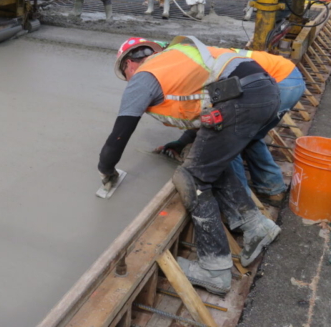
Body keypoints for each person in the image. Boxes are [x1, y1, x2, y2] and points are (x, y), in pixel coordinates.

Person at [98, 35, 281, 295]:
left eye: (125, 74)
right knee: (209, 162)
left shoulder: (144, 76)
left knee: (190, 178)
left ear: (129, 64)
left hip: (240, 99)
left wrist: (106, 168)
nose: (128, 81)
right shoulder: (175, 58)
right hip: (265, 92)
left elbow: (120, 134)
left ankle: (214, 269)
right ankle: (256, 227)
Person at [155, 44, 305, 206]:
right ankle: (272, 189)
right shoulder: (201, 55)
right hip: (288, 77)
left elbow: (204, 110)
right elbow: (206, 110)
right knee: (251, 136)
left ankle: (241, 204)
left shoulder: (194, 68)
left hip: (278, 82)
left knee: (228, 140)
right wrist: (181, 143)